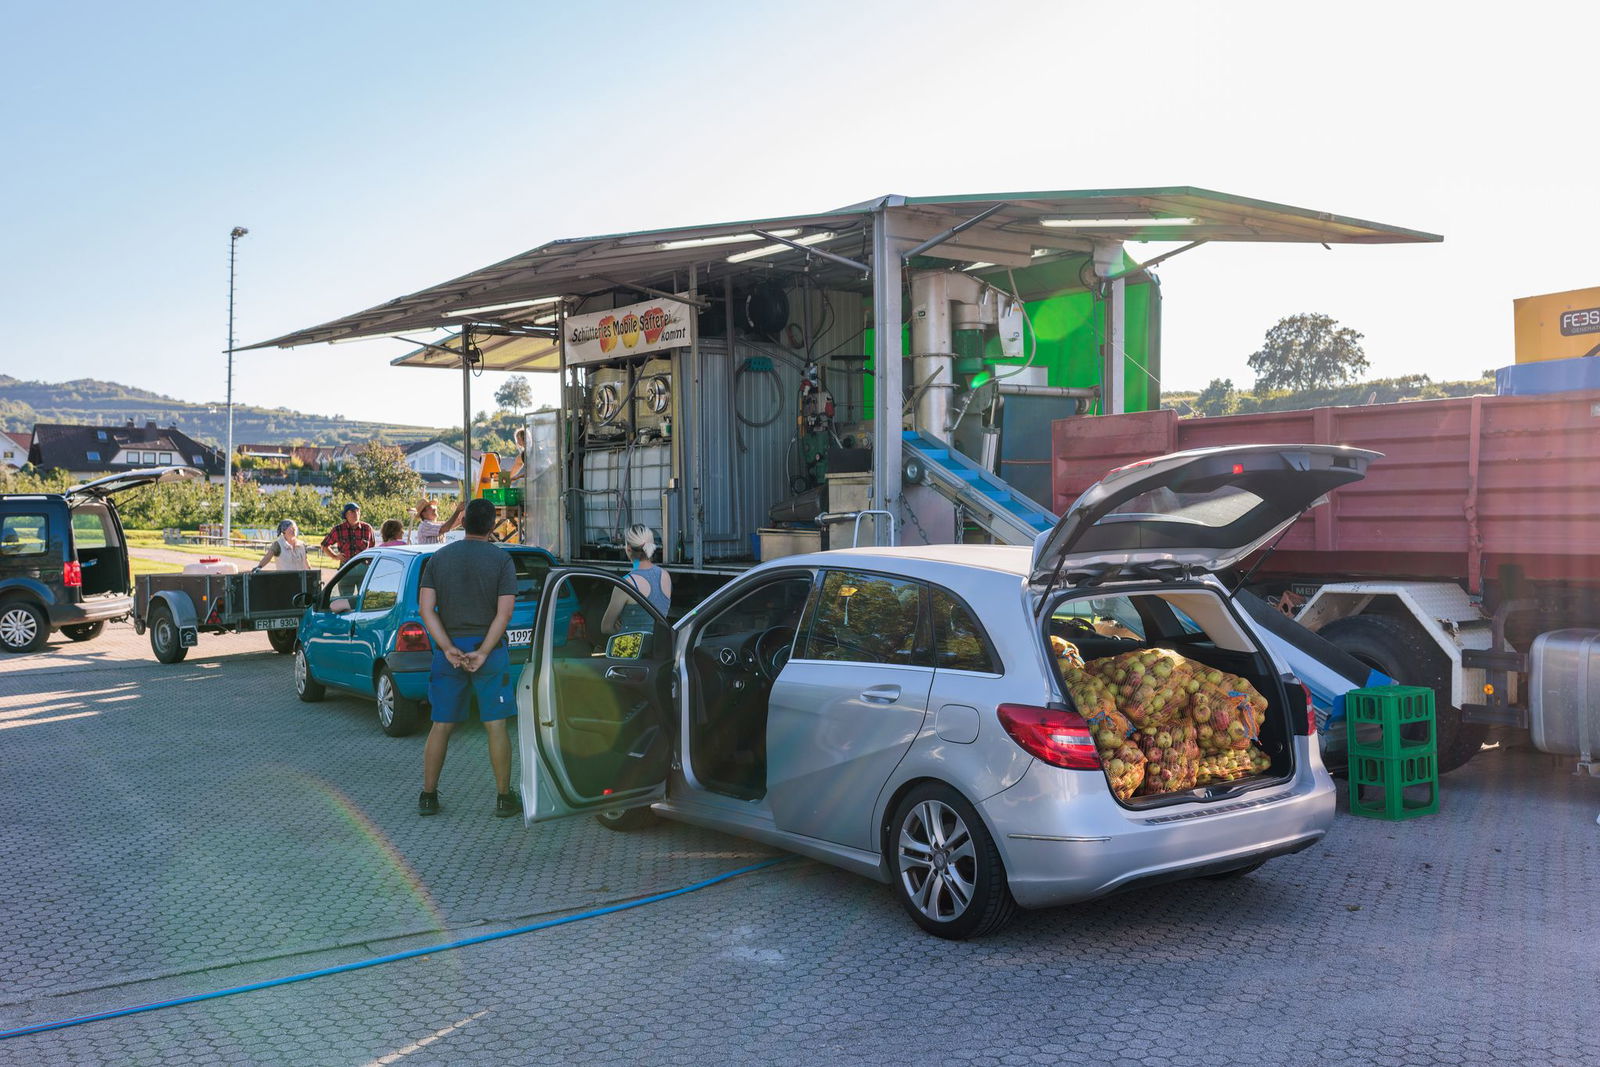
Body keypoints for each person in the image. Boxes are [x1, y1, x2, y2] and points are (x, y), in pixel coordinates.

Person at [416, 498, 520, 819]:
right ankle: (504, 797)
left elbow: (425, 610)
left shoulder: (438, 558)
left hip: (450, 651)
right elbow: (504, 614)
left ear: (462, 523)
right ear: (491, 526)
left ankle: (428, 796)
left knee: (441, 725)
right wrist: (485, 651)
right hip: (489, 651)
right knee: (495, 724)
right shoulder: (502, 561)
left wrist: (446, 647)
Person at [601, 523, 672, 634]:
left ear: (629, 549)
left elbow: (606, 627)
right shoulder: (665, 575)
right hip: (658, 646)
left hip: (631, 649)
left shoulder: (626, 584)